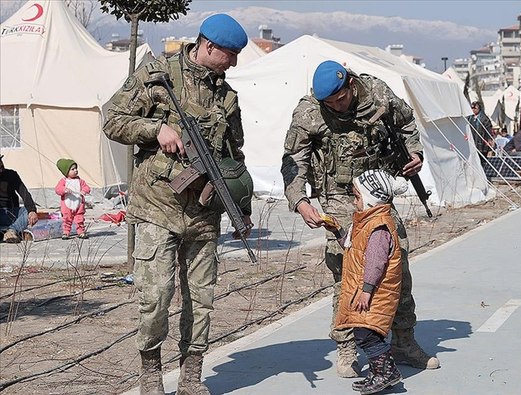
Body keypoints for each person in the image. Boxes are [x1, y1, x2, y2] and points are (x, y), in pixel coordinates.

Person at [103, 13, 253, 394]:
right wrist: (156, 129)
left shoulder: (227, 96)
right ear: (208, 46)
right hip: (157, 207)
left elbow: (234, 153)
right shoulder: (157, 75)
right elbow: (113, 120)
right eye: (230, 54)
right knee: (156, 298)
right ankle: (150, 372)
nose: (233, 63)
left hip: (203, 213)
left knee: (202, 300)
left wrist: (238, 196)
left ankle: (191, 376)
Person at [281, 60, 440, 378]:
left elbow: (407, 123)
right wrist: (299, 200)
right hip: (339, 198)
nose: (336, 107)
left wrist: (415, 153)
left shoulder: (378, 93)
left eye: (340, 99)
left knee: (396, 265)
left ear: (350, 84)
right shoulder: (309, 112)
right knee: (347, 271)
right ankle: (347, 345)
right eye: (329, 103)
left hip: (377, 193)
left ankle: (404, 342)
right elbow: (293, 159)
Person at [323, 169, 406, 394]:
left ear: (371, 198)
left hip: (375, 292)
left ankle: (385, 372)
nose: (354, 201)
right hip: (367, 290)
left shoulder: (378, 227)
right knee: (369, 332)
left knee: (366, 333)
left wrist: (367, 290)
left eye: (357, 196)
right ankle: (382, 372)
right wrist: (338, 231)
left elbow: (376, 263)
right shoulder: (366, 222)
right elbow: (353, 250)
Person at [0, 154, 38, 243]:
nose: (1, 167)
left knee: (27, 211)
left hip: (11, 212)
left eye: (1, 163)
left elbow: (24, 193)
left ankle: (12, 231)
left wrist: (32, 210)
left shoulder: (11, 175)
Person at [55, 158, 91, 239]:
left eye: (76, 168)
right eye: (72, 169)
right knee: (67, 219)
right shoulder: (63, 181)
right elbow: (57, 189)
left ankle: (81, 231)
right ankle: (66, 232)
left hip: (79, 204)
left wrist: (84, 191)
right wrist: (64, 190)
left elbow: (87, 187)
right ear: (66, 171)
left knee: (79, 218)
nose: (75, 170)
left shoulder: (80, 181)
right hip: (67, 204)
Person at [468, 101, 494, 165]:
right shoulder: (470, 118)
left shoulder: (484, 118)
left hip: (481, 144)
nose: (473, 110)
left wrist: (489, 141)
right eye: (472, 108)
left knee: (481, 161)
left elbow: (488, 131)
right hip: (472, 142)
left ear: (479, 108)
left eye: (475, 108)